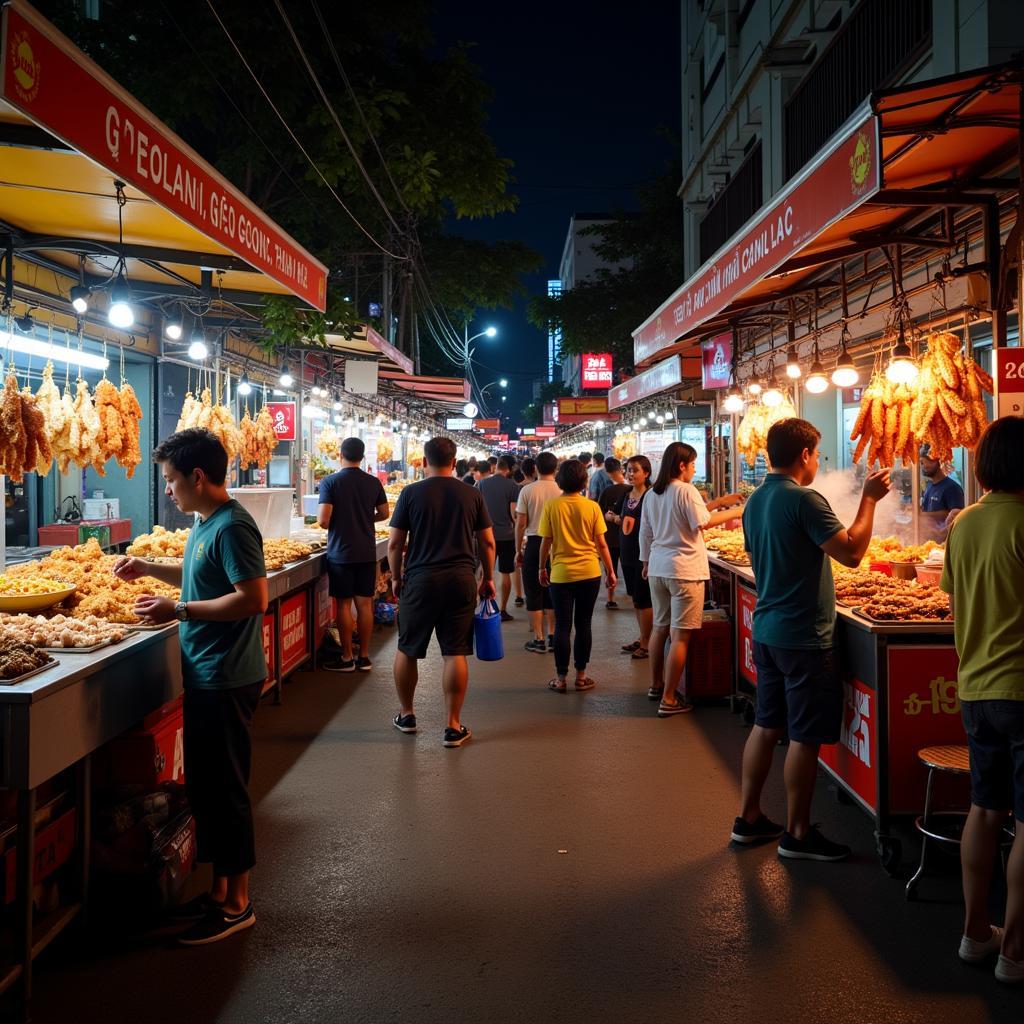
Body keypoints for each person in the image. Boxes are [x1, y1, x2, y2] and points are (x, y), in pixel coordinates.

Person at [112, 428, 268, 944]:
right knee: (207, 790)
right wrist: (149, 569)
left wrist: (177, 609)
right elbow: (198, 574)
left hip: (227, 675)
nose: (169, 491)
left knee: (227, 792)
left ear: (197, 477)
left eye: (172, 480)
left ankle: (239, 904)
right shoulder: (204, 523)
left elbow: (252, 599)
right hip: (205, 672)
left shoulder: (234, 527)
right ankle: (221, 891)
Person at [733, 418, 890, 861]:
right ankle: (798, 834)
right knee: (803, 736)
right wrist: (869, 501)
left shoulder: (756, 501)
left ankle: (749, 818)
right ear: (804, 454)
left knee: (767, 726)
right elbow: (853, 553)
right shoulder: (804, 499)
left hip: (767, 630)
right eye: (818, 453)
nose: (818, 461)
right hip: (804, 636)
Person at [938, 416, 1024, 981]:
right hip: (1022, 688)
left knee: (985, 808)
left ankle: (975, 934)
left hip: (975, 687)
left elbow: (951, 597)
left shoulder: (964, 523)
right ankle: (1015, 954)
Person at [388, 437, 496, 748]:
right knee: (455, 652)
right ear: (455, 460)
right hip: (461, 580)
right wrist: (487, 576)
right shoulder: (471, 494)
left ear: (424, 461)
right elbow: (487, 543)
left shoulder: (410, 493)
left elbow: (395, 543)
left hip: (420, 581)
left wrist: (396, 577)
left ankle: (407, 715)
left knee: (408, 648)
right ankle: (452, 725)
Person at [640, 442, 742, 717]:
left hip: (659, 569)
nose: (695, 470)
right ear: (682, 465)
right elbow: (703, 522)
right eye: (694, 464)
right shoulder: (686, 490)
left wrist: (646, 561)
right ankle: (670, 699)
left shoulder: (652, 493)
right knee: (680, 636)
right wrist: (739, 511)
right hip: (684, 571)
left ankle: (656, 685)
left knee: (660, 629)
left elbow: (645, 533)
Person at [538, 459, 616, 692]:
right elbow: (602, 544)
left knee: (562, 625)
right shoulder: (592, 507)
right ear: (584, 481)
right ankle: (581, 677)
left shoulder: (552, 506)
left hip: (561, 574)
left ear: (560, 480)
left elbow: (546, 542)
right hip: (589, 572)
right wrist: (610, 571)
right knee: (583, 625)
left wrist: (542, 567)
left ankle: (561, 679)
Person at [317, 436, 390, 672]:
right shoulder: (373, 482)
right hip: (366, 552)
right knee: (365, 605)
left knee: (344, 606)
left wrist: (340, 521)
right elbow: (384, 513)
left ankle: (347, 657)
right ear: (362, 456)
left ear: (340, 455)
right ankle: (365, 657)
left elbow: (323, 520)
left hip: (341, 554)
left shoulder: (330, 482)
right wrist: (365, 518)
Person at [515, 450, 560, 653]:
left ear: (535, 468)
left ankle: (538, 638)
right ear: (556, 468)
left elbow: (520, 523)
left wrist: (518, 549)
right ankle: (553, 635)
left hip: (533, 544)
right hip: (556, 546)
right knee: (553, 591)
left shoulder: (527, 491)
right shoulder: (562, 490)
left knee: (533, 591)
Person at [613, 455, 654, 662]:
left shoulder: (652, 496)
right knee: (636, 601)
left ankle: (647, 644)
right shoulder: (626, 495)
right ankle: (642, 637)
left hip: (644, 556)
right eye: (628, 470)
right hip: (627, 554)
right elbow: (611, 514)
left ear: (646, 473)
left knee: (644, 601)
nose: (630, 474)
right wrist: (614, 518)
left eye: (635, 470)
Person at [477, 455, 520, 621]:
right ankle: (502, 610)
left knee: (483, 570)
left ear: (495, 468)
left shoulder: (481, 483)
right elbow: (513, 513)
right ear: (508, 470)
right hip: (507, 536)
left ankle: (483, 605)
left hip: (485, 534)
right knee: (505, 573)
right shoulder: (512, 486)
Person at [597, 457, 629, 608]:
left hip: (610, 537)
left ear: (608, 473)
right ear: (621, 469)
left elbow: (599, 512)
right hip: (629, 536)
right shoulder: (631, 490)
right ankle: (634, 595)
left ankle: (610, 599)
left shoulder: (607, 491)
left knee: (611, 568)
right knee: (630, 566)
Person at [920, 444, 966, 540]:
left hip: (944, 542)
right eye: (921, 463)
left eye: (924, 462)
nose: (922, 466)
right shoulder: (929, 486)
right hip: (928, 541)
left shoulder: (952, 488)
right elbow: (926, 510)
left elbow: (956, 514)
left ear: (936, 461)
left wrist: (920, 515)